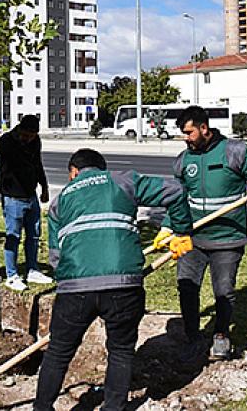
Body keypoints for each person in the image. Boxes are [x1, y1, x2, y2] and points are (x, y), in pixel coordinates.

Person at [34, 149, 194, 411]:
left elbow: (55, 258)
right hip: (124, 285)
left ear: (73, 172)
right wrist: (181, 231)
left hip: (75, 289)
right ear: (102, 168)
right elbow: (176, 190)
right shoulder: (122, 180)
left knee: (58, 352)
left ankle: (42, 408)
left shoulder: (58, 202)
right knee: (120, 350)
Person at [153, 105, 247, 362]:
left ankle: (221, 334)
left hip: (227, 238)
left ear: (204, 128)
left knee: (223, 290)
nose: (186, 138)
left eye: (189, 132)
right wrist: (168, 227)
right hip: (192, 238)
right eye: (183, 133)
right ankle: (192, 335)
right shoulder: (183, 160)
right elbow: (178, 200)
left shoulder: (235, 152)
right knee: (187, 287)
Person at [0, 114, 51, 291]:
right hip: (12, 197)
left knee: (34, 235)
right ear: (20, 129)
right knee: (13, 236)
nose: (28, 139)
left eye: (32, 136)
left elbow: (38, 164)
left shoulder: (35, 141)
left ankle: (32, 269)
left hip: (30, 195)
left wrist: (44, 187)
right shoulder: (7, 140)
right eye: (25, 135)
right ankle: (11, 275)